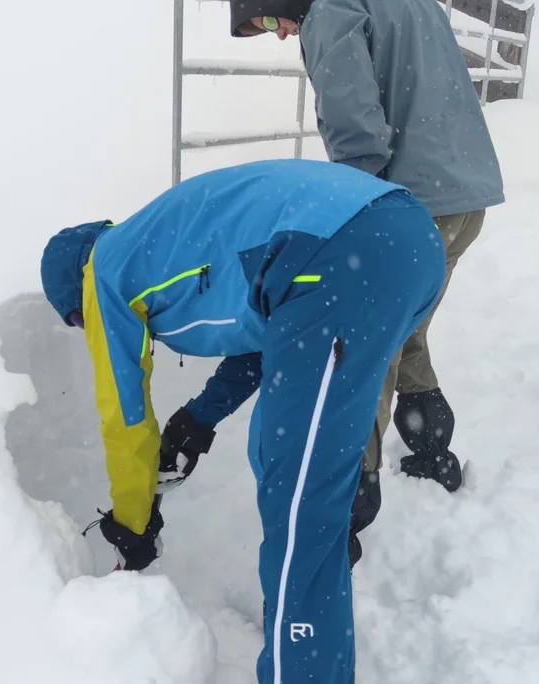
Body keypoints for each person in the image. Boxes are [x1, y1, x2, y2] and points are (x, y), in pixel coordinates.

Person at [40, 158, 445, 684]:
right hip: (405, 238)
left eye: (78, 321)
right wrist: (200, 418)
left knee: (298, 499)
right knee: (294, 475)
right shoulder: (160, 238)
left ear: (78, 293)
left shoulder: (106, 275)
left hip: (341, 256)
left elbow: (125, 418)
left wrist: (133, 522)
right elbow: (273, 322)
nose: (87, 327)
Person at [229, 0, 505, 564]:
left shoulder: (329, 11)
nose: (278, 35)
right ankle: (431, 450)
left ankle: (341, 518)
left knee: (359, 355)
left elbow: (356, 127)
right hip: (462, 197)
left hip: (411, 204)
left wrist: (349, 217)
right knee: (407, 331)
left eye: (265, 20)